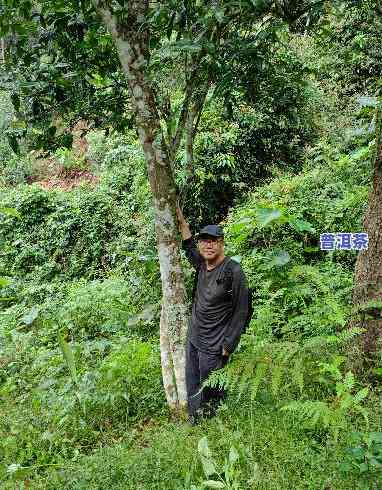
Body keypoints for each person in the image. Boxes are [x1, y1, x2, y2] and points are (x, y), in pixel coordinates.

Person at [176, 204, 249, 425]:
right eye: (205, 241)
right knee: (193, 383)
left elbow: (242, 311)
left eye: (213, 241)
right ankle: (194, 423)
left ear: (221, 243)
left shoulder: (233, 271)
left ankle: (212, 426)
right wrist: (179, 215)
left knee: (212, 389)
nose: (208, 245)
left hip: (215, 345)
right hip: (194, 339)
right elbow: (188, 246)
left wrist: (229, 344)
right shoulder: (201, 264)